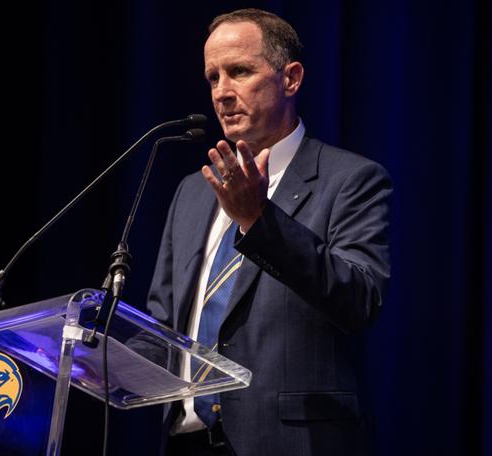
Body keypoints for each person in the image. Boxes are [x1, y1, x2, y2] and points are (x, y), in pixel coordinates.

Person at [146, 8, 391, 456]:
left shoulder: (351, 180)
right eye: (213, 77)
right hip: (187, 443)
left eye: (239, 71)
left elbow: (359, 298)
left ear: (291, 78)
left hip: (292, 442)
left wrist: (258, 221)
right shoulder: (192, 193)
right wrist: (90, 352)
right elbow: (163, 325)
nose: (222, 93)